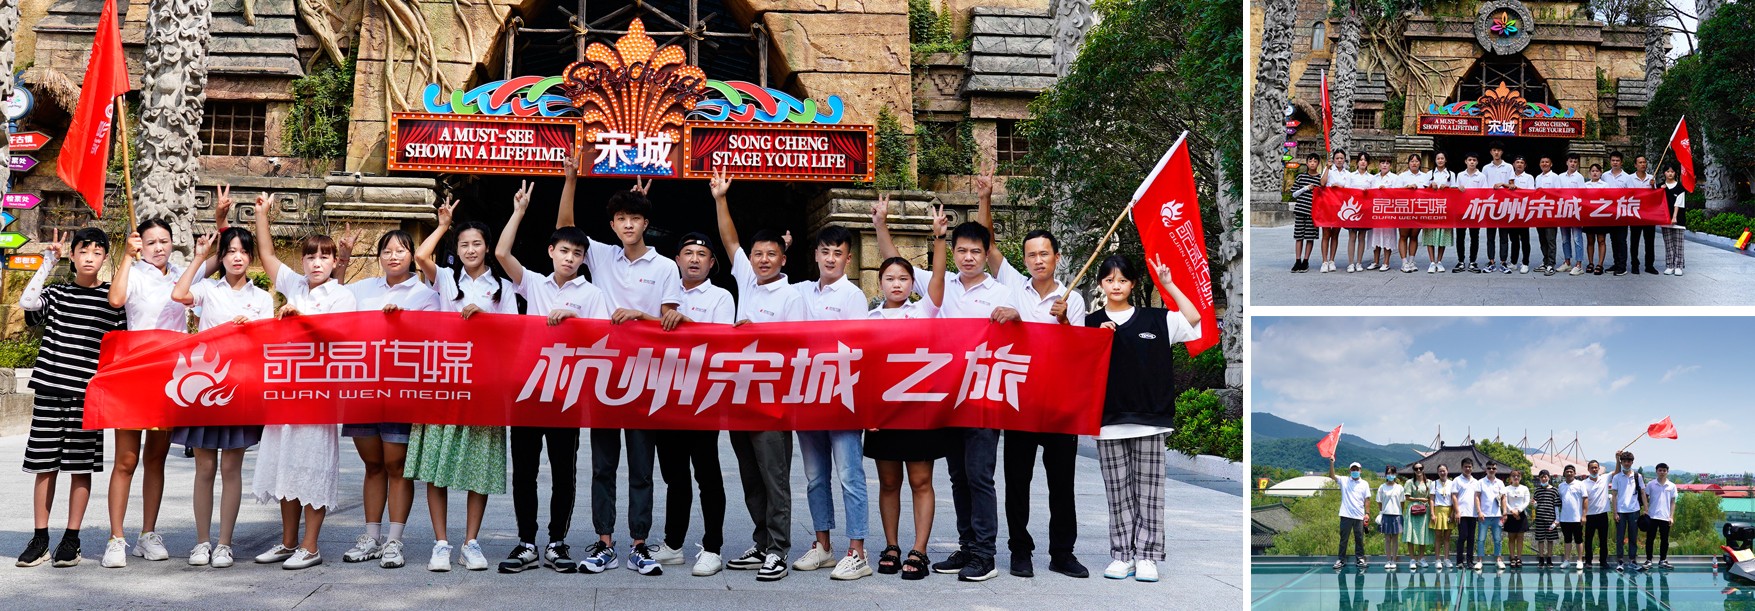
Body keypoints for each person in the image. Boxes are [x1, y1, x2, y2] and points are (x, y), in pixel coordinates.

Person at [877, 190, 1022, 584]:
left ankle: (985, 555)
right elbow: (895, 266)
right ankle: (967, 546)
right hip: (946, 399)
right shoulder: (941, 285)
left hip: (983, 397)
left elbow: (1032, 327)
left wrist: (1014, 315)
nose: (968, 257)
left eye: (976, 251)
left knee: (979, 476)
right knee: (958, 476)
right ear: (953, 252)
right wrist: (880, 225)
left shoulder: (1005, 291)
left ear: (986, 253)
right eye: (962, 250)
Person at [551, 161, 683, 578]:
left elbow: (669, 321)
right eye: (621, 218)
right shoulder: (604, 256)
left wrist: (639, 315)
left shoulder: (665, 267)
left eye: (635, 218)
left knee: (642, 468)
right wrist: (571, 180)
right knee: (603, 465)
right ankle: (604, 542)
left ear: (646, 223)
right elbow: (566, 230)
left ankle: (639, 545)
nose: (628, 224)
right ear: (612, 224)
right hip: (604, 376)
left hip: (645, 377)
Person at [495, 180, 612, 574]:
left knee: (564, 472)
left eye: (577, 253)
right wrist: (519, 212)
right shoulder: (533, 283)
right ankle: (526, 542)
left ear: (584, 259)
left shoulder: (592, 294)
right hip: (528, 390)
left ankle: (557, 542)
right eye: (564, 250)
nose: (570, 258)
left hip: (567, 394)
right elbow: (501, 253)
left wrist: (575, 319)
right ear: (551, 251)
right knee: (524, 472)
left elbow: (603, 338)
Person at [408, 197, 517, 572]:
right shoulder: (445, 279)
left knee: (478, 468)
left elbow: (514, 334)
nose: (470, 250)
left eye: (476, 244)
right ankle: (441, 543)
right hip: (443, 383)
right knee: (435, 465)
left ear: (487, 247)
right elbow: (420, 256)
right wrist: (443, 226)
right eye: (464, 244)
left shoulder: (502, 288)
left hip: (483, 385)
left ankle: (471, 542)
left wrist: (485, 318)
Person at [712, 169, 807, 582]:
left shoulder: (792, 295)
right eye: (758, 254)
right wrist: (720, 198)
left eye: (771, 254)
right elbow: (729, 240)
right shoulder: (747, 282)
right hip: (740, 397)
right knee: (750, 476)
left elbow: (795, 348)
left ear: (783, 258)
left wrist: (758, 333)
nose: (763, 260)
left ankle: (779, 549)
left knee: (774, 477)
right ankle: (761, 541)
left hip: (771, 401)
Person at [15, 228, 128, 568]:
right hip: (50, 390)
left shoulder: (113, 300)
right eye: (83, 251)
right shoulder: (58, 293)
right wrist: (49, 260)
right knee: (44, 465)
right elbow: (28, 303)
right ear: (73, 256)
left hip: (88, 396)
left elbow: (122, 347)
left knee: (80, 468)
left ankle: (71, 538)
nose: (90, 257)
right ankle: (40, 538)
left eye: (97, 251)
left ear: (105, 257)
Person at [251, 194, 353, 570]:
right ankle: (288, 541)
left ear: (335, 262)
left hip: (319, 394)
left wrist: (302, 320)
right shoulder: (294, 286)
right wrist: (261, 215)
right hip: (286, 390)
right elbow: (266, 254)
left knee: (312, 467)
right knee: (286, 465)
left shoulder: (342, 295)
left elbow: (340, 337)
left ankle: (311, 546)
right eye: (310, 257)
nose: (316, 262)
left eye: (324, 256)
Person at [1085, 254, 1196, 584]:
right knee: (1117, 492)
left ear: (1133, 284)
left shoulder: (1156, 319)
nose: (1116, 285)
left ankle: (1147, 556)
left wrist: (1169, 284)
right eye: (1109, 280)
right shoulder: (1089, 324)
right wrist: (1095, 339)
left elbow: (1192, 318)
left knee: (1150, 492)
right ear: (1101, 284)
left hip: (1150, 418)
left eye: (1122, 280)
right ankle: (1122, 555)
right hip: (1107, 420)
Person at [989, 216, 1089, 579]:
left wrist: (1064, 321)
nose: (1038, 260)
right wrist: (1014, 317)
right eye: (1031, 255)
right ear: (1025, 260)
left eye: (1044, 254)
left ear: (1057, 257)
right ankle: (1020, 550)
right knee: (1017, 480)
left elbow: (1079, 352)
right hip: (1021, 401)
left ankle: (1062, 552)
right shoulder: (1014, 291)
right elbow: (990, 250)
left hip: (1060, 403)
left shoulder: (1072, 299)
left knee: (1062, 482)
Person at [336, 228, 442, 570]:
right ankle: (371, 537)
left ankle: (394, 540)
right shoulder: (364, 288)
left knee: (397, 465)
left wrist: (403, 323)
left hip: (401, 390)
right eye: (386, 251)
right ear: (379, 257)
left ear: (412, 256)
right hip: (363, 386)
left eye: (401, 250)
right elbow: (333, 301)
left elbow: (432, 339)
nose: (393, 256)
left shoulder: (425, 295)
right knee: (372, 464)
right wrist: (343, 258)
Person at [167, 223, 271, 569]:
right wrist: (200, 258)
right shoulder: (208, 289)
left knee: (230, 467)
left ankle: (224, 543)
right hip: (205, 388)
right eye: (230, 251)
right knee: (205, 466)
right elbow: (179, 294)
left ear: (251, 257)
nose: (237, 257)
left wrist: (251, 330)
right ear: (222, 257)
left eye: (243, 251)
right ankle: (202, 542)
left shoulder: (262, 299)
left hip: (240, 389)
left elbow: (269, 344)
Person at [864, 204, 950, 581]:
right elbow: (863, 371)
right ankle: (891, 546)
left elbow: (938, 277)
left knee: (920, 481)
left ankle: (919, 549)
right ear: (880, 283)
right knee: (888, 483)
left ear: (912, 284)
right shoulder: (868, 320)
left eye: (903, 278)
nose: (896, 284)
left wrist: (940, 238)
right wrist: (867, 412)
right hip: (883, 414)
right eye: (890, 278)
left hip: (920, 410)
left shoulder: (924, 311)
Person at [786, 211, 872, 581]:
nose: (831, 258)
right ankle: (822, 545)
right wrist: (781, 251)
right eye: (825, 251)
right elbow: (765, 288)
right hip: (807, 395)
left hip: (842, 398)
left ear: (848, 258)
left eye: (838, 253)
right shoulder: (801, 291)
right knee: (815, 477)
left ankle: (858, 552)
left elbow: (859, 351)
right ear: (816, 255)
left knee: (850, 476)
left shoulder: (853, 296)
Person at [103, 217, 193, 567]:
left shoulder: (180, 274)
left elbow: (213, 265)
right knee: (126, 459)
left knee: (156, 458)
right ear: (141, 244)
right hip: (134, 373)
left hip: (169, 376)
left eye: (164, 241)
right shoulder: (135, 272)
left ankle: (147, 534)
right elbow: (115, 299)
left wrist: (219, 223)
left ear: (172, 243)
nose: (159, 247)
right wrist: (127, 256)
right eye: (151, 241)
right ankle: (116, 538)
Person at [651, 232, 737, 577]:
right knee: (674, 475)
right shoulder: (663, 294)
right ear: (677, 260)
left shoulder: (721, 297)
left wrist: (686, 324)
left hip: (702, 398)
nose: (694, 259)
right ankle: (673, 545)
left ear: (712, 263)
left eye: (702, 255)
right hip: (665, 395)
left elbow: (722, 343)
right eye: (687, 253)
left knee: (707, 473)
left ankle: (712, 547)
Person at [1328, 460, 1372, 570]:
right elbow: (1332, 476)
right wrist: (1332, 463)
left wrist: (1367, 513)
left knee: (1359, 539)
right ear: (1350, 470)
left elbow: (1367, 499)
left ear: (1360, 471)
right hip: (1345, 515)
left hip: (1359, 516)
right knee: (1344, 539)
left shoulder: (1364, 483)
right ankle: (1341, 559)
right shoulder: (1344, 480)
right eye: (1353, 469)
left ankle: (1360, 559)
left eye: (1357, 469)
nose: (1355, 471)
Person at [1480, 142, 1517, 273]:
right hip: (1490, 205)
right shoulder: (1486, 168)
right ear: (1491, 152)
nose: (1496, 153)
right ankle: (1491, 261)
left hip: (1504, 204)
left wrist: (1502, 184)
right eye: (1494, 150)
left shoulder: (1508, 167)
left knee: (1504, 236)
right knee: (1490, 236)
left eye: (1499, 150)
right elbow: (1483, 187)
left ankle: (1503, 261)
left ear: (1502, 152)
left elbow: (1512, 186)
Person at [1609, 451, 1646, 572]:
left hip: (1634, 510)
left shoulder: (1638, 476)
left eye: (1629, 461)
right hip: (1621, 511)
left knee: (1633, 537)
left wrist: (1646, 509)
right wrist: (1615, 512)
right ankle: (1620, 561)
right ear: (1621, 462)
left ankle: (1632, 560)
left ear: (1632, 462)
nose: (1626, 463)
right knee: (1620, 537)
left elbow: (1642, 493)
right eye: (1624, 461)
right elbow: (1614, 495)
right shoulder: (1617, 477)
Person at [1454, 153, 1490, 273]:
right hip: (1461, 210)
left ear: (1477, 162)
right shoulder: (1460, 175)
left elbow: (1485, 192)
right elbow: (1454, 191)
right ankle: (1460, 261)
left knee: (1474, 236)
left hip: (1475, 210)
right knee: (1460, 236)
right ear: (1466, 161)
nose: (1472, 162)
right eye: (1469, 160)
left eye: (1474, 160)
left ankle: (1473, 261)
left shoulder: (1481, 176)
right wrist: (1458, 189)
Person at [1420, 152, 1456, 273]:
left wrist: (1447, 188)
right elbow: (1423, 191)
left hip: (1445, 208)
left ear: (1445, 160)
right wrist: (1431, 185)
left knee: (1442, 235)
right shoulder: (1429, 174)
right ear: (1435, 160)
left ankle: (1439, 261)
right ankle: (1432, 262)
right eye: (1438, 158)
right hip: (1431, 208)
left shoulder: (1451, 174)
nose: (1440, 160)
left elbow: (1454, 191)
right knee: (1430, 234)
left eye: (1442, 158)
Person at [1395, 154, 1429, 273]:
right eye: (1412, 161)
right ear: (1408, 163)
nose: (1414, 163)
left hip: (1418, 210)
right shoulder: (1402, 176)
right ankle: (1404, 262)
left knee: (1414, 236)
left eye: (1416, 161)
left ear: (1420, 163)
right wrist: (1407, 187)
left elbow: (1429, 192)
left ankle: (1411, 261)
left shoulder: (1425, 176)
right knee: (1403, 236)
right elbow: (1395, 191)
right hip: (1404, 209)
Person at [1500, 156, 1534, 274]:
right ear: (1513, 164)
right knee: (1513, 239)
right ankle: (1514, 262)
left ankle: (1525, 263)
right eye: (1517, 162)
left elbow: (1531, 193)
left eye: (1522, 163)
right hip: (1511, 211)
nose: (1519, 164)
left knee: (1525, 239)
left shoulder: (1529, 177)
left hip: (1524, 212)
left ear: (1525, 165)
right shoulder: (1509, 177)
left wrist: (1515, 188)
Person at [1289, 153, 1322, 272]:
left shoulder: (1320, 179)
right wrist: (1306, 188)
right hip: (1300, 210)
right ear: (1307, 163)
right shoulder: (1301, 177)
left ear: (1318, 163)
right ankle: (1297, 261)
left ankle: (1305, 261)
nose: (1312, 163)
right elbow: (1294, 194)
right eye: (1310, 161)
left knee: (1310, 237)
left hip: (1313, 213)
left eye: (1315, 161)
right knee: (1299, 237)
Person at [1319, 149, 1350, 273]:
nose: (1339, 160)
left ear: (1344, 159)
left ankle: (1332, 260)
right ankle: (1324, 261)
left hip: (1340, 206)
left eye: (1341, 158)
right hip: (1327, 205)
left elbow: (1349, 189)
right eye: (1337, 158)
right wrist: (1327, 168)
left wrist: (1339, 187)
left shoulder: (1347, 174)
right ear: (1334, 159)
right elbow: (1322, 183)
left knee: (1335, 234)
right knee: (1326, 233)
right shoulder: (1329, 170)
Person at [1557, 154, 1588, 275]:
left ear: (1578, 164)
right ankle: (1567, 262)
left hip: (1575, 211)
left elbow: (1582, 194)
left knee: (1577, 239)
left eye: (1575, 162)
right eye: (1571, 161)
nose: (1573, 163)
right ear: (1567, 162)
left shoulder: (1579, 177)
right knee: (1565, 239)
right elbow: (1557, 192)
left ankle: (1579, 264)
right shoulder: (1560, 176)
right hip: (1563, 210)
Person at [1603, 152, 1633, 275]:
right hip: (1609, 213)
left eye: (1617, 160)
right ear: (1610, 161)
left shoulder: (1627, 177)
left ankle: (1622, 266)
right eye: (1613, 160)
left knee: (1621, 240)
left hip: (1622, 212)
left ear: (1621, 162)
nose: (1615, 162)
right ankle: (1616, 263)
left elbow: (1631, 194)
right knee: (1613, 239)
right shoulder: (1605, 176)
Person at [1368, 157, 1400, 272]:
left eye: (1387, 163)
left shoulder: (1395, 178)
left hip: (1388, 211)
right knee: (1375, 236)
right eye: (1382, 163)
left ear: (1390, 165)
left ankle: (1386, 262)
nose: (1385, 165)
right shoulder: (1374, 178)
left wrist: (1387, 190)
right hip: (1376, 211)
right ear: (1379, 165)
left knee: (1388, 236)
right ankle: (1376, 261)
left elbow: (1398, 193)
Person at [1643, 462, 1677, 570]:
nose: (1662, 472)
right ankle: (1649, 560)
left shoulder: (1672, 486)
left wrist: (1671, 516)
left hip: (1665, 517)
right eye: (1660, 470)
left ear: (1667, 472)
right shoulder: (1651, 484)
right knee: (1650, 539)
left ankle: (1663, 560)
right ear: (1656, 471)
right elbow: (1645, 497)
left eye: (1664, 470)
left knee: (1665, 540)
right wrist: (1646, 509)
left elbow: (1673, 502)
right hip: (1652, 516)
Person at [1629, 155, 1659, 274]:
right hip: (1636, 213)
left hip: (1649, 214)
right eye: (1640, 162)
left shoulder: (1651, 178)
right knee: (1634, 241)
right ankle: (1634, 264)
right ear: (1635, 165)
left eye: (1644, 162)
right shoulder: (1630, 178)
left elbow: (1656, 196)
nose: (1643, 164)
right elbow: (1628, 195)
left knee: (1650, 241)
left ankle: (1649, 265)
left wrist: (1653, 186)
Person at [1533, 157, 1563, 275]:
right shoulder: (1538, 177)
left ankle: (1551, 264)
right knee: (1542, 239)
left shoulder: (1555, 177)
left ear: (1551, 164)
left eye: (1547, 162)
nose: (1544, 164)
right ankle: (1545, 261)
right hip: (1539, 212)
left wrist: (1545, 191)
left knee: (1550, 239)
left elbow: (1559, 193)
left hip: (1551, 212)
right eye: (1542, 162)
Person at [1345, 152, 1374, 273]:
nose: (1363, 162)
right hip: (1353, 208)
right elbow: (1346, 191)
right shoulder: (1351, 176)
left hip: (1365, 209)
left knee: (1362, 236)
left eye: (1365, 160)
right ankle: (1351, 263)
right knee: (1352, 236)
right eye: (1361, 160)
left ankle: (1359, 262)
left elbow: (1374, 193)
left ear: (1368, 163)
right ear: (1357, 162)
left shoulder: (1371, 178)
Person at [1582, 165, 1612, 276]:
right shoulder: (1585, 185)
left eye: (1597, 171)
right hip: (1589, 216)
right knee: (1590, 240)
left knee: (1601, 240)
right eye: (1593, 171)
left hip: (1601, 216)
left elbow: (1609, 198)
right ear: (1589, 173)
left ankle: (1600, 264)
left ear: (1601, 173)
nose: (1595, 173)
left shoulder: (1605, 185)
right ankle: (1590, 263)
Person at [1452, 457, 1481, 570]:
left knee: (1471, 538)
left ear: (1472, 468)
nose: (1467, 469)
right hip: (1462, 513)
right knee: (1462, 536)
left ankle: (1470, 561)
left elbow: (1478, 497)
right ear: (1462, 467)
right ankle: (1459, 561)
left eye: (1469, 467)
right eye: (1465, 467)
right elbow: (1454, 496)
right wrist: (1457, 511)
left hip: (1473, 514)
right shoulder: (1457, 480)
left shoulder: (1476, 482)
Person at [1401, 463, 1432, 570]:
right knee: (1411, 534)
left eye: (1420, 468)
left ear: (1423, 469)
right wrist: (1419, 499)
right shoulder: (1409, 482)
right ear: (1413, 470)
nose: (1418, 470)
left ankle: (1421, 558)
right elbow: (1407, 497)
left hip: (1425, 510)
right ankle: (1412, 559)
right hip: (1413, 509)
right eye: (1416, 468)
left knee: (1423, 534)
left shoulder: (1429, 482)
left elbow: (1431, 497)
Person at [1582, 459, 1611, 569]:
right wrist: (1583, 515)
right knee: (1588, 540)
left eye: (1596, 467)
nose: (1594, 469)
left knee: (1603, 540)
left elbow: (1617, 471)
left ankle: (1603, 561)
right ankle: (1588, 561)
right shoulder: (1583, 483)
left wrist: (1617, 459)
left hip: (1602, 515)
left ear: (1599, 468)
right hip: (1590, 515)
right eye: (1592, 468)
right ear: (1588, 469)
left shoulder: (1605, 478)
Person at [1478, 463, 1506, 570]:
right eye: (1489, 468)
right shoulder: (1480, 482)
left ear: (1496, 470)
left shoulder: (1500, 483)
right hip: (1484, 516)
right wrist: (1479, 512)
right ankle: (1480, 560)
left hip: (1497, 515)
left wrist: (1504, 512)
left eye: (1493, 468)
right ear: (1486, 470)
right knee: (1481, 539)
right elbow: (1477, 497)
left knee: (1497, 539)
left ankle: (1498, 559)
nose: (1491, 470)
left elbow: (1503, 498)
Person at [1660, 166, 1687, 276]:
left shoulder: (1680, 187)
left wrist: (1674, 217)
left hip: (1678, 219)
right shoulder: (1661, 186)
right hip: (1664, 219)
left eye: (1672, 171)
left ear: (1675, 173)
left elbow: (1678, 203)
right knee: (1668, 243)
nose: (1670, 173)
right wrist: (1656, 188)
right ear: (1664, 173)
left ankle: (1678, 266)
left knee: (1678, 244)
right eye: (1668, 171)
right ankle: (1670, 265)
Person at [1377, 465, 1405, 571]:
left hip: (1396, 514)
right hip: (1386, 515)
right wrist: (1382, 511)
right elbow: (1379, 501)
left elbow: (1402, 502)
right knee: (1387, 539)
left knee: (1395, 539)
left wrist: (1400, 512)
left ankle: (1394, 560)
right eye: (1388, 473)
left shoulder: (1399, 487)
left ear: (1395, 474)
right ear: (1385, 474)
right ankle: (1388, 560)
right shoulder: (1382, 487)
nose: (1390, 475)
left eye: (1392, 473)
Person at [1531, 470, 1560, 568]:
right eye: (1542, 477)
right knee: (1540, 540)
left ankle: (1549, 559)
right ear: (1539, 478)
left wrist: (1557, 520)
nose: (1544, 479)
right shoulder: (1537, 490)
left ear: (1549, 477)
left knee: (1550, 540)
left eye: (1545, 477)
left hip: (1551, 519)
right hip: (1539, 518)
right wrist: (1534, 505)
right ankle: (1541, 559)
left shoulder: (1554, 490)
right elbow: (1535, 505)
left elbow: (1557, 505)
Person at [1559, 464, 1585, 570]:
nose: (1569, 473)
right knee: (1567, 540)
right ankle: (1566, 560)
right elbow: (1559, 501)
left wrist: (1584, 515)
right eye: (1567, 471)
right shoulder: (1561, 486)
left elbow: (1585, 499)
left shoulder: (1580, 484)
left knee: (1579, 540)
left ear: (1574, 473)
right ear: (1564, 473)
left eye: (1571, 471)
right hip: (1564, 518)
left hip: (1577, 518)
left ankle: (1580, 560)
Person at [1503, 470, 1530, 569]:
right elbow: (1505, 501)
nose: (1516, 477)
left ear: (1520, 477)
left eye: (1518, 476)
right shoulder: (1506, 489)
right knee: (1511, 538)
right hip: (1510, 515)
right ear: (1510, 477)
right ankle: (1512, 557)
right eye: (1513, 476)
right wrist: (1512, 511)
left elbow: (1526, 501)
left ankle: (1519, 558)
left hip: (1521, 515)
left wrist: (1519, 510)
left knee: (1520, 538)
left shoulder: (1524, 488)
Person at [1429, 463, 1455, 569]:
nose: (1442, 472)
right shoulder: (1434, 483)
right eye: (1440, 471)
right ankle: (1437, 559)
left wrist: (1453, 513)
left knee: (1447, 537)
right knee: (1438, 537)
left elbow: (1454, 499)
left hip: (1449, 510)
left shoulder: (1452, 483)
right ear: (1437, 472)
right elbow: (1431, 499)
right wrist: (1432, 513)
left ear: (1447, 471)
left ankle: (1446, 559)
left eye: (1444, 470)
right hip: (1438, 511)